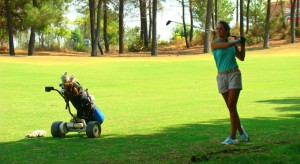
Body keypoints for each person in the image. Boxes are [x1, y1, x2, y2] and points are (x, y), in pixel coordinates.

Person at [211, 21, 249, 145]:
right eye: (217, 29)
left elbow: (242, 57)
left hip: (234, 74)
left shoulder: (232, 44)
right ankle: (240, 130)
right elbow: (226, 45)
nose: (218, 30)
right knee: (231, 107)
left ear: (227, 31)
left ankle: (233, 137)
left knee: (231, 106)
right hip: (221, 77)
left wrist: (242, 43)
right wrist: (236, 41)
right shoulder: (214, 44)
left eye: (221, 29)